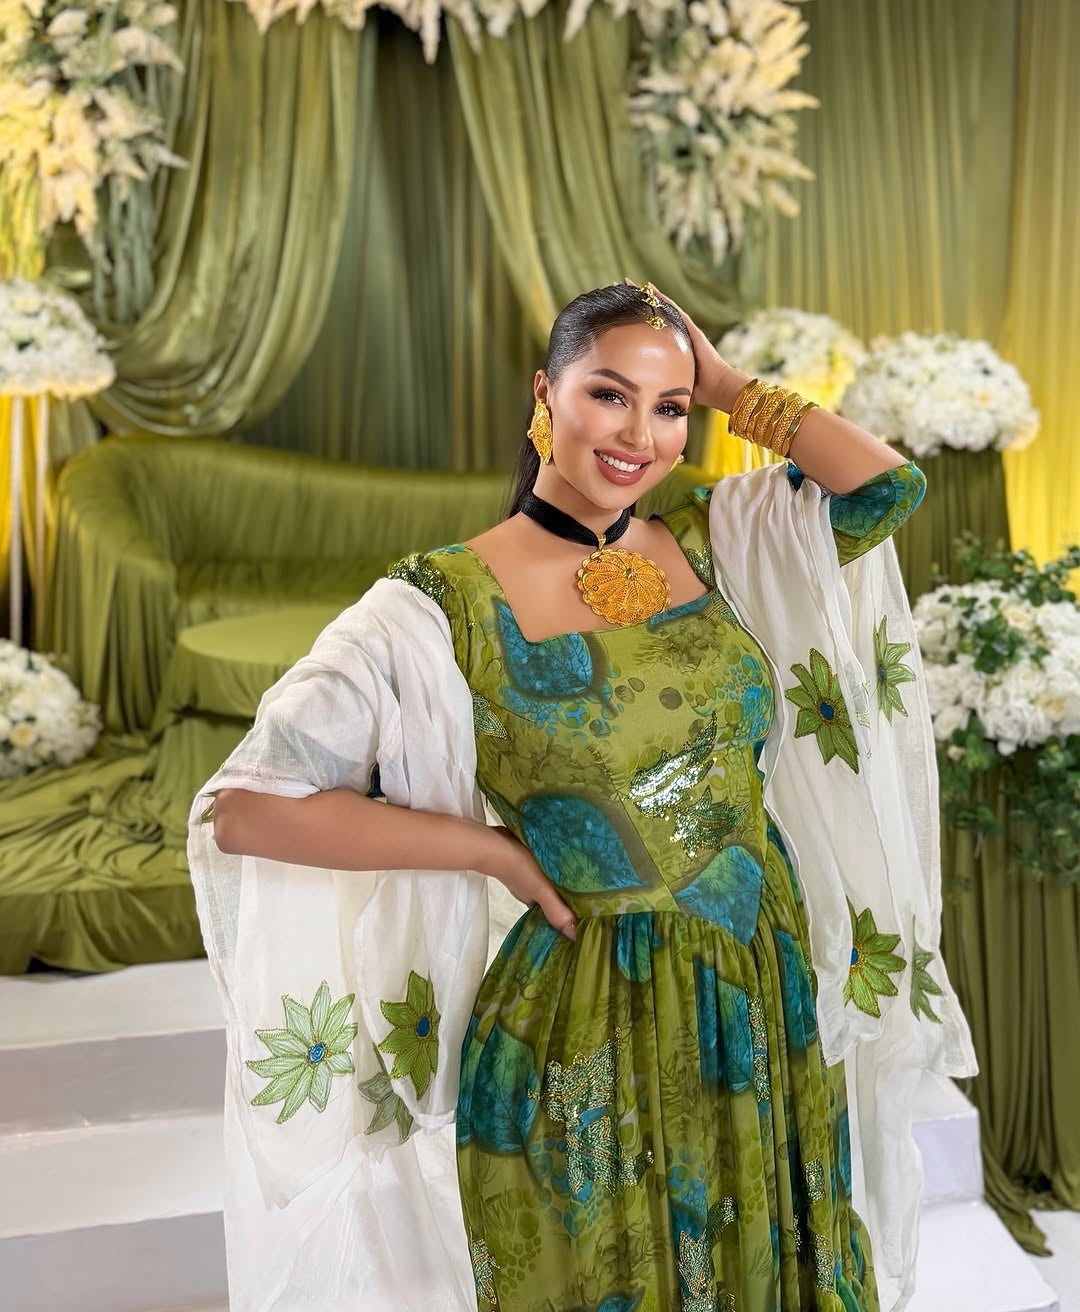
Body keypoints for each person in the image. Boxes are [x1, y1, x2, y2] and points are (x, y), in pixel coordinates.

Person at [191, 282, 975, 1312]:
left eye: (668, 408)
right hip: (590, 1016)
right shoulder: (436, 608)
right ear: (545, 394)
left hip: (759, 983)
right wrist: (491, 853)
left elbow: (884, 491)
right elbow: (246, 808)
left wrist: (731, 383)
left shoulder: (716, 539)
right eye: (609, 395)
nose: (639, 436)